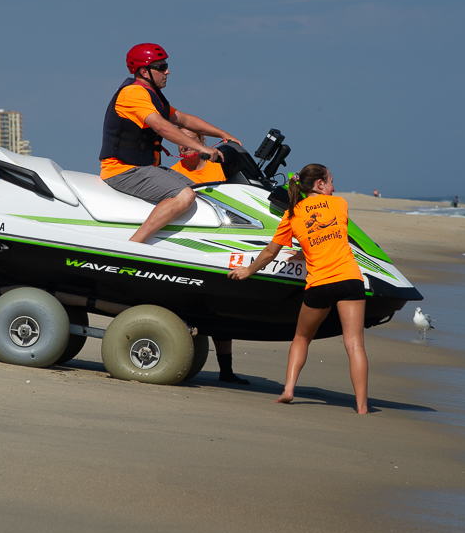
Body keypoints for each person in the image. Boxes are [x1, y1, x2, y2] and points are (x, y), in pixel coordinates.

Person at [229, 163, 369, 413]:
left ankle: (288, 390)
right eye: (331, 181)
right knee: (354, 344)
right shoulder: (340, 204)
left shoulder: (292, 214)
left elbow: (271, 252)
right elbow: (333, 239)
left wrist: (248, 271)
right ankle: (362, 407)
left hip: (320, 284)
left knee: (302, 337)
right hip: (349, 279)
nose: (334, 186)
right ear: (320, 184)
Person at [100, 43, 240, 243]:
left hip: (144, 168)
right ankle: (133, 246)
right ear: (144, 72)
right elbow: (162, 127)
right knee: (184, 196)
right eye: (161, 67)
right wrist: (201, 147)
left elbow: (184, 120)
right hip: (123, 170)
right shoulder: (133, 94)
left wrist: (223, 134)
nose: (167, 72)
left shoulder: (153, 97)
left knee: (201, 192)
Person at [168, 128, 249, 383]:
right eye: (180, 141)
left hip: (221, 242)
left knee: (219, 309)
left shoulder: (219, 167)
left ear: (202, 142)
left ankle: (226, 371)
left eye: (190, 140)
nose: (184, 146)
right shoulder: (172, 172)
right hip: (188, 243)